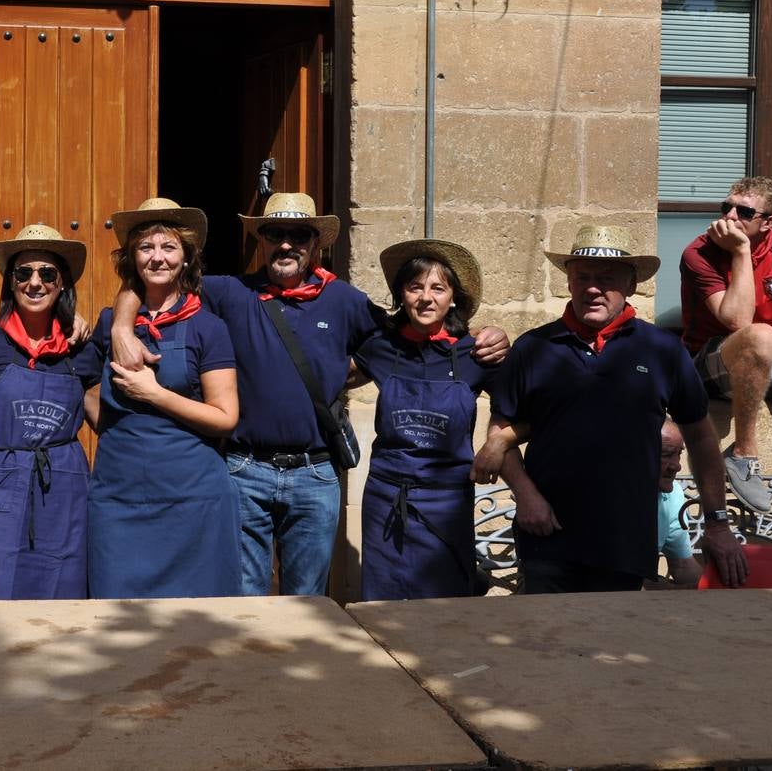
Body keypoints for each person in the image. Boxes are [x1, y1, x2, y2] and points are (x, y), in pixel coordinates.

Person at [112, 192, 510, 597]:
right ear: (261, 240)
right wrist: (121, 327)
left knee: (307, 601)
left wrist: (479, 337)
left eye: (299, 234)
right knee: (243, 598)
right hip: (244, 471)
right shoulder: (231, 292)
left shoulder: (345, 301)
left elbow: (413, 335)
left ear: (316, 243)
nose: (286, 244)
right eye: (275, 233)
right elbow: (152, 279)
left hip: (315, 475)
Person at [473, 223, 747, 593]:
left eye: (606, 278)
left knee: (614, 646)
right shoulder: (534, 348)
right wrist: (526, 496)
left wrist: (716, 523)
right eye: (582, 276)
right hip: (547, 534)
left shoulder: (662, 350)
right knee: (546, 645)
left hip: (626, 540)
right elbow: (500, 432)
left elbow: (700, 439)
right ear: (568, 282)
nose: (592, 288)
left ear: (631, 285)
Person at [89, 198, 241, 598]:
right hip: (118, 497)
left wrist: (154, 395)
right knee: (115, 618)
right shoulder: (110, 323)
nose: (158, 258)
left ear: (187, 258)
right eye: (146, 248)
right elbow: (80, 383)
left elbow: (225, 417)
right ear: (132, 259)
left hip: (193, 496)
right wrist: (111, 430)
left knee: (196, 623)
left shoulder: (209, 327)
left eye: (169, 247)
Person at [0, 225, 101, 599]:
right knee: (2, 590)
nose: (35, 283)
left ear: (62, 282)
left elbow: (105, 419)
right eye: (24, 273)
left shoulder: (80, 348)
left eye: (47, 273)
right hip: (1, 484)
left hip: (65, 487)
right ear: (10, 282)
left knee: (67, 586)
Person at [352, 239, 498, 600]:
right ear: (402, 295)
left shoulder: (476, 353)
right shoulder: (380, 347)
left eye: (438, 288)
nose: (425, 298)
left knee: (444, 608)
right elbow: (329, 378)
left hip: (447, 502)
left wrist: (497, 443)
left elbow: (517, 410)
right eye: (415, 287)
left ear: (453, 299)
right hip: (386, 498)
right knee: (382, 603)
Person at [680, 175, 772, 512]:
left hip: (767, 364)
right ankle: (743, 453)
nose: (730, 217)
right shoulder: (698, 252)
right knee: (761, 334)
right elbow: (737, 321)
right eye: (727, 208)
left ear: (768, 223)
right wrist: (741, 252)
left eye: (744, 213)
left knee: (765, 341)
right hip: (706, 366)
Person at [656, 420, 703, 588]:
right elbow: (619, 581)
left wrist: (718, 586)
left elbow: (682, 566)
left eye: (679, 454)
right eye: (667, 454)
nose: (677, 466)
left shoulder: (673, 493)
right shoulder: (609, 497)